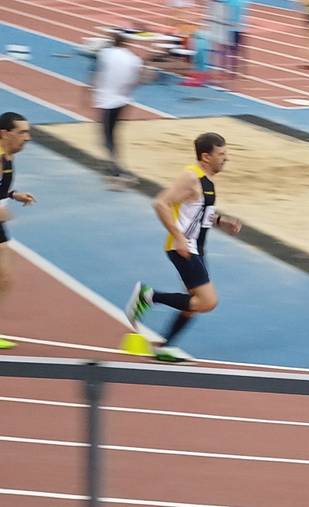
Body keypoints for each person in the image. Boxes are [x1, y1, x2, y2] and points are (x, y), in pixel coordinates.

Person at [125, 132, 241, 361]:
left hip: (196, 247)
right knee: (207, 302)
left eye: (226, 154)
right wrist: (177, 236)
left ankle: (165, 347)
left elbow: (197, 213)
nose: (225, 158)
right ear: (206, 157)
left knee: (193, 303)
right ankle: (147, 297)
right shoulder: (191, 177)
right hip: (183, 247)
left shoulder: (207, 181)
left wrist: (221, 220)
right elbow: (160, 203)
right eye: (221, 154)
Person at [90, 33, 143, 188]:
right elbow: (136, 80)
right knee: (112, 134)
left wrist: (91, 91)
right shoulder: (133, 58)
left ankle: (117, 170)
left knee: (107, 135)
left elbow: (95, 72)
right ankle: (115, 166)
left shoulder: (106, 53)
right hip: (122, 101)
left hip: (107, 101)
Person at [0, 112, 36, 307]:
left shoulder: (8, 155)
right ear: (5, 133)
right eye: (21, 132)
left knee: (4, 278)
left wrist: (12, 194)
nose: (27, 137)